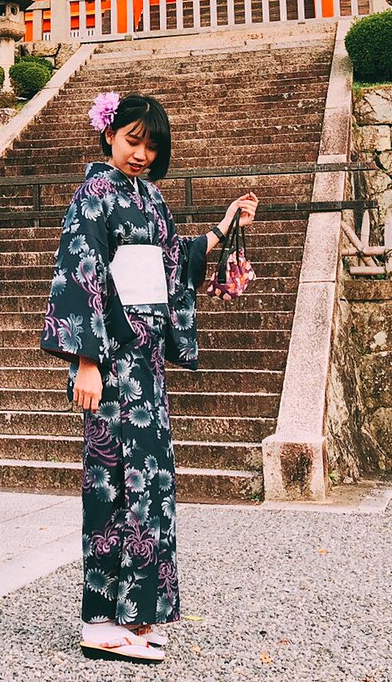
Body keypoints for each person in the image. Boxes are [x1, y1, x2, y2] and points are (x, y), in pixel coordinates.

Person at [41, 91, 257, 665]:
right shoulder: (94, 195)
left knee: (154, 481)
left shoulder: (153, 201)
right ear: (109, 135)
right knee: (112, 484)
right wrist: (85, 360)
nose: (141, 154)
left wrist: (224, 226)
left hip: (148, 367)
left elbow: (172, 260)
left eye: (151, 146)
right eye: (133, 140)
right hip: (110, 364)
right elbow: (80, 269)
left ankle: (143, 612)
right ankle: (101, 618)